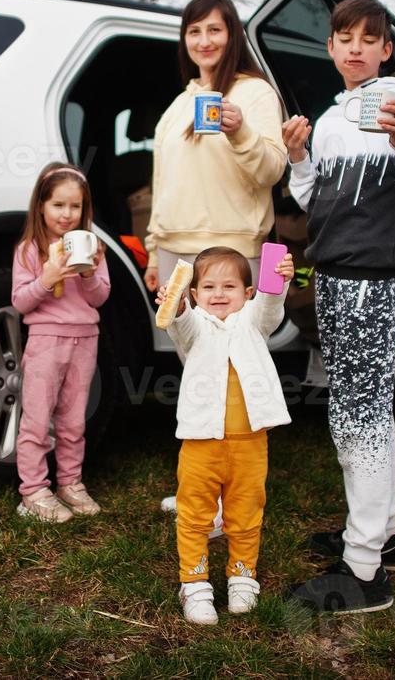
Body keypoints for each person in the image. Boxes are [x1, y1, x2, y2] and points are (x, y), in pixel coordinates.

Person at [281, 0, 395, 613]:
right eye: (343, 37)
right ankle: (385, 537)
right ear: (330, 49)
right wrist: (299, 157)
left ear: (386, 49)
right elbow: (311, 201)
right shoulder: (329, 121)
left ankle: (364, 572)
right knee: (363, 411)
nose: (355, 47)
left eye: (368, 38)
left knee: (359, 418)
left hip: (370, 282)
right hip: (331, 277)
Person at [143, 0, 288, 527]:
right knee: (197, 373)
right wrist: (156, 247)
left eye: (215, 29)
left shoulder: (253, 94)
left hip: (228, 247)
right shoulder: (182, 101)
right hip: (178, 249)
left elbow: (272, 170)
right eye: (194, 31)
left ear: (233, 35)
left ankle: (233, 498)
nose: (204, 40)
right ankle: (203, 490)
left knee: (234, 376)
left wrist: (238, 129)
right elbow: (166, 180)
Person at [158, 246, 295, 625]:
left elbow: (270, 307)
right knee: (194, 513)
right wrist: (177, 304)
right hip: (201, 443)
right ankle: (194, 581)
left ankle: (241, 575)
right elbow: (180, 323)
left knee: (246, 511)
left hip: (250, 443)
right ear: (196, 294)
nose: (219, 294)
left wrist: (277, 281)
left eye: (230, 286)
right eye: (209, 287)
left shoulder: (253, 322)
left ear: (247, 293)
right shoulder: (197, 326)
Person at [9, 162, 111, 522]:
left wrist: (87, 274)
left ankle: (70, 481)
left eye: (75, 206)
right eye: (58, 205)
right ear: (41, 206)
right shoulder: (29, 249)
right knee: (37, 419)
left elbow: (99, 298)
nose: (67, 214)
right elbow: (21, 302)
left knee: (73, 419)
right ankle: (33, 490)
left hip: (85, 339)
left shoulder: (93, 248)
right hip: (46, 341)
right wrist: (46, 277)